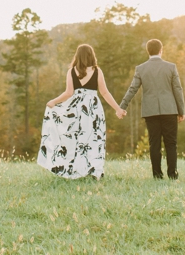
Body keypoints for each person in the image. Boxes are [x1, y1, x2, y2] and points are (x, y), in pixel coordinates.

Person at [37, 43, 125, 180]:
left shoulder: (72, 71)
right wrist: (118, 109)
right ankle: (93, 171)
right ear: (91, 56)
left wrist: (54, 101)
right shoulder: (97, 71)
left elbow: (68, 93)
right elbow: (105, 93)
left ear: (77, 56)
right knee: (94, 138)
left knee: (75, 139)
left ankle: (75, 170)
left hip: (76, 109)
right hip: (93, 110)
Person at [119, 39, 185, 180]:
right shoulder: (171, 67)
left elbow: (133, 89)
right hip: (169, 110)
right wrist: (181, 111)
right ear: (161, 50)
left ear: (148, 51)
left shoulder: (141, 69)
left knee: (154, 144)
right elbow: (178, 90)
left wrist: (122, 106)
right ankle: (172, 175)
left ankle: (157, 175)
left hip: (151, 112)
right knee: (171, 143)